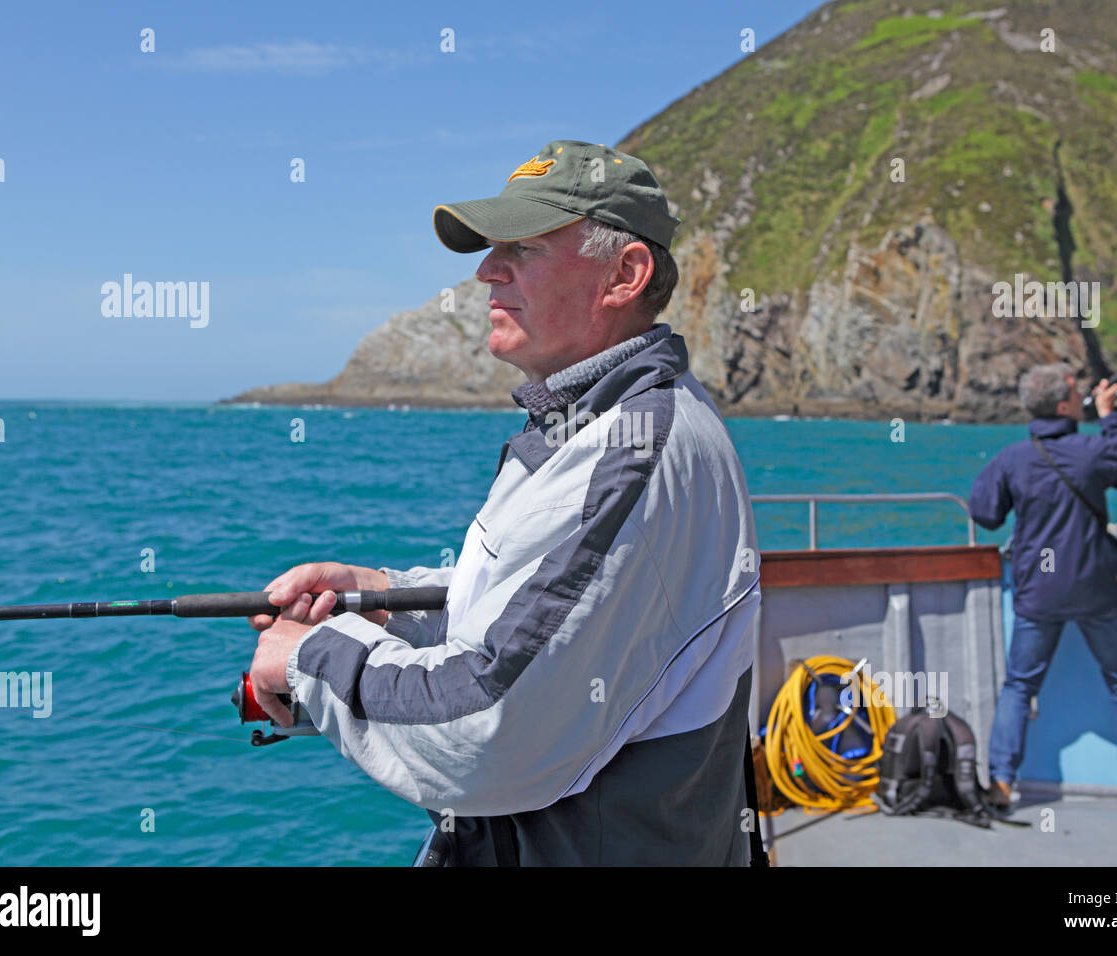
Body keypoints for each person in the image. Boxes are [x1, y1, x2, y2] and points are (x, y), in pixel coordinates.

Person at [245, 140, 763, 864]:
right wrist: (384, 597)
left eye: (523, 247)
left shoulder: (630, 450)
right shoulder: (599, 423)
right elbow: (543, 615)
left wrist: (312, 655)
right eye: (493, 248)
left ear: (625, 274)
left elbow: (485, 731)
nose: (488, 268)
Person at [968, 363, 1117, 815]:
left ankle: (1001, 780)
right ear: (1062, 405)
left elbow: (985, 513)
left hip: (1039, 591)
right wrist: (1109, 414)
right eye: (1076, 392)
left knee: (1019, 685)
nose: (1082, 397)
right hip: (1097, 588)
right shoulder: (1091, 451)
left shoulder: (1012, 458)